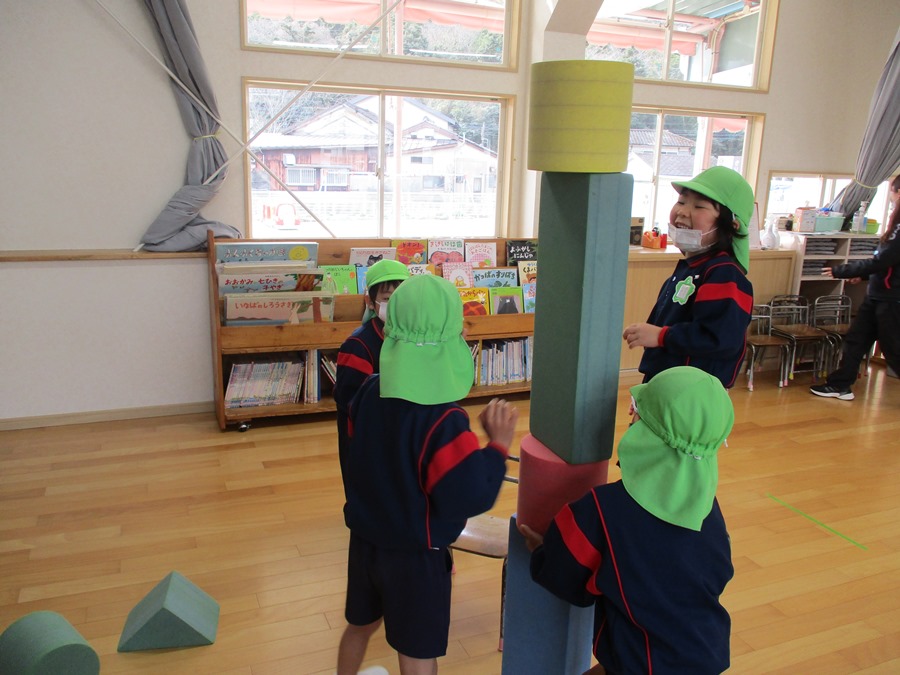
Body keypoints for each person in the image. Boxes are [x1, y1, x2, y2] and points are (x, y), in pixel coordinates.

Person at [337, 274, 519, 675]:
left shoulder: (368, 391)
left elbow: (359, 451)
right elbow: (467, 495)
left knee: (359, 626)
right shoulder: (445, 420)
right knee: (416, 651)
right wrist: (497, 446)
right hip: (416, 557)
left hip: (365, 542)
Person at [518, 366, 735, 675]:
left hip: (641, 665)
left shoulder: (600, 508)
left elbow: (565, 578)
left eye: (636, 412)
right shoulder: (708, 509)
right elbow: (720, 571)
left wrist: (542, 551)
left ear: (644, 431)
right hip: (706, 654)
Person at [622, 166, 754, 388]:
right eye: (681, 201)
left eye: (699, 206)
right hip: (666, 384)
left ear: (731, 225)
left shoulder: (724, 274)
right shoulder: (689, 269)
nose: (683, 211)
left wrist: (661, 335)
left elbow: (721, 338)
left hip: (692, 391)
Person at [810, 174, 900, 400]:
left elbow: (883, 261)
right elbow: (886, 264)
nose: (890, 198)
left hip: (891, 300)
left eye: (892, 192)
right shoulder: (895, 224)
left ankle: (840, 384)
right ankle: (840, 385)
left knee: (893, 349)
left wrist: (844, 270)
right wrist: (865, 276)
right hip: (876, 296)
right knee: (856, 340)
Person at [333, 258, 410, 464]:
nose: (396, 304)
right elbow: (352, 401)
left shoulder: (413, 336)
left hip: (400, 431)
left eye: (402, 297)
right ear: (370, 301)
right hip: (367, 439)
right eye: (387, 298)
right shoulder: (358, 345)